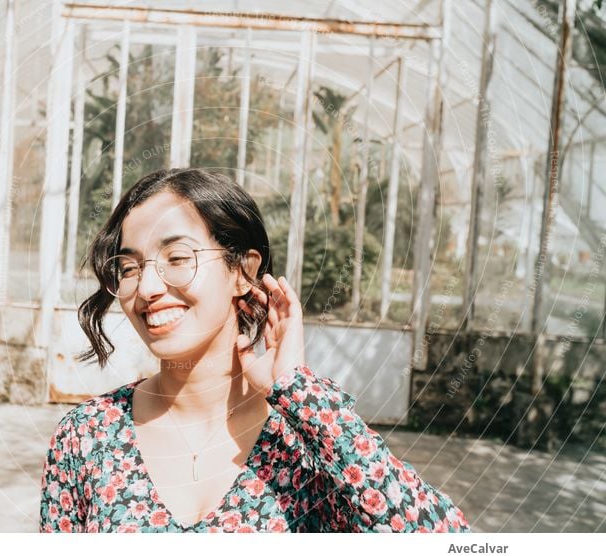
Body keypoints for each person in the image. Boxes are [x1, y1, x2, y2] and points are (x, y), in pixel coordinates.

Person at [39, 168, 472, 533]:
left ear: (243, 271)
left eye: (176, 257)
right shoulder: (87, 437)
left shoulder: (307, 445)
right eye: (130, 267)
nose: (148, 289)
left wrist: (298, 391)